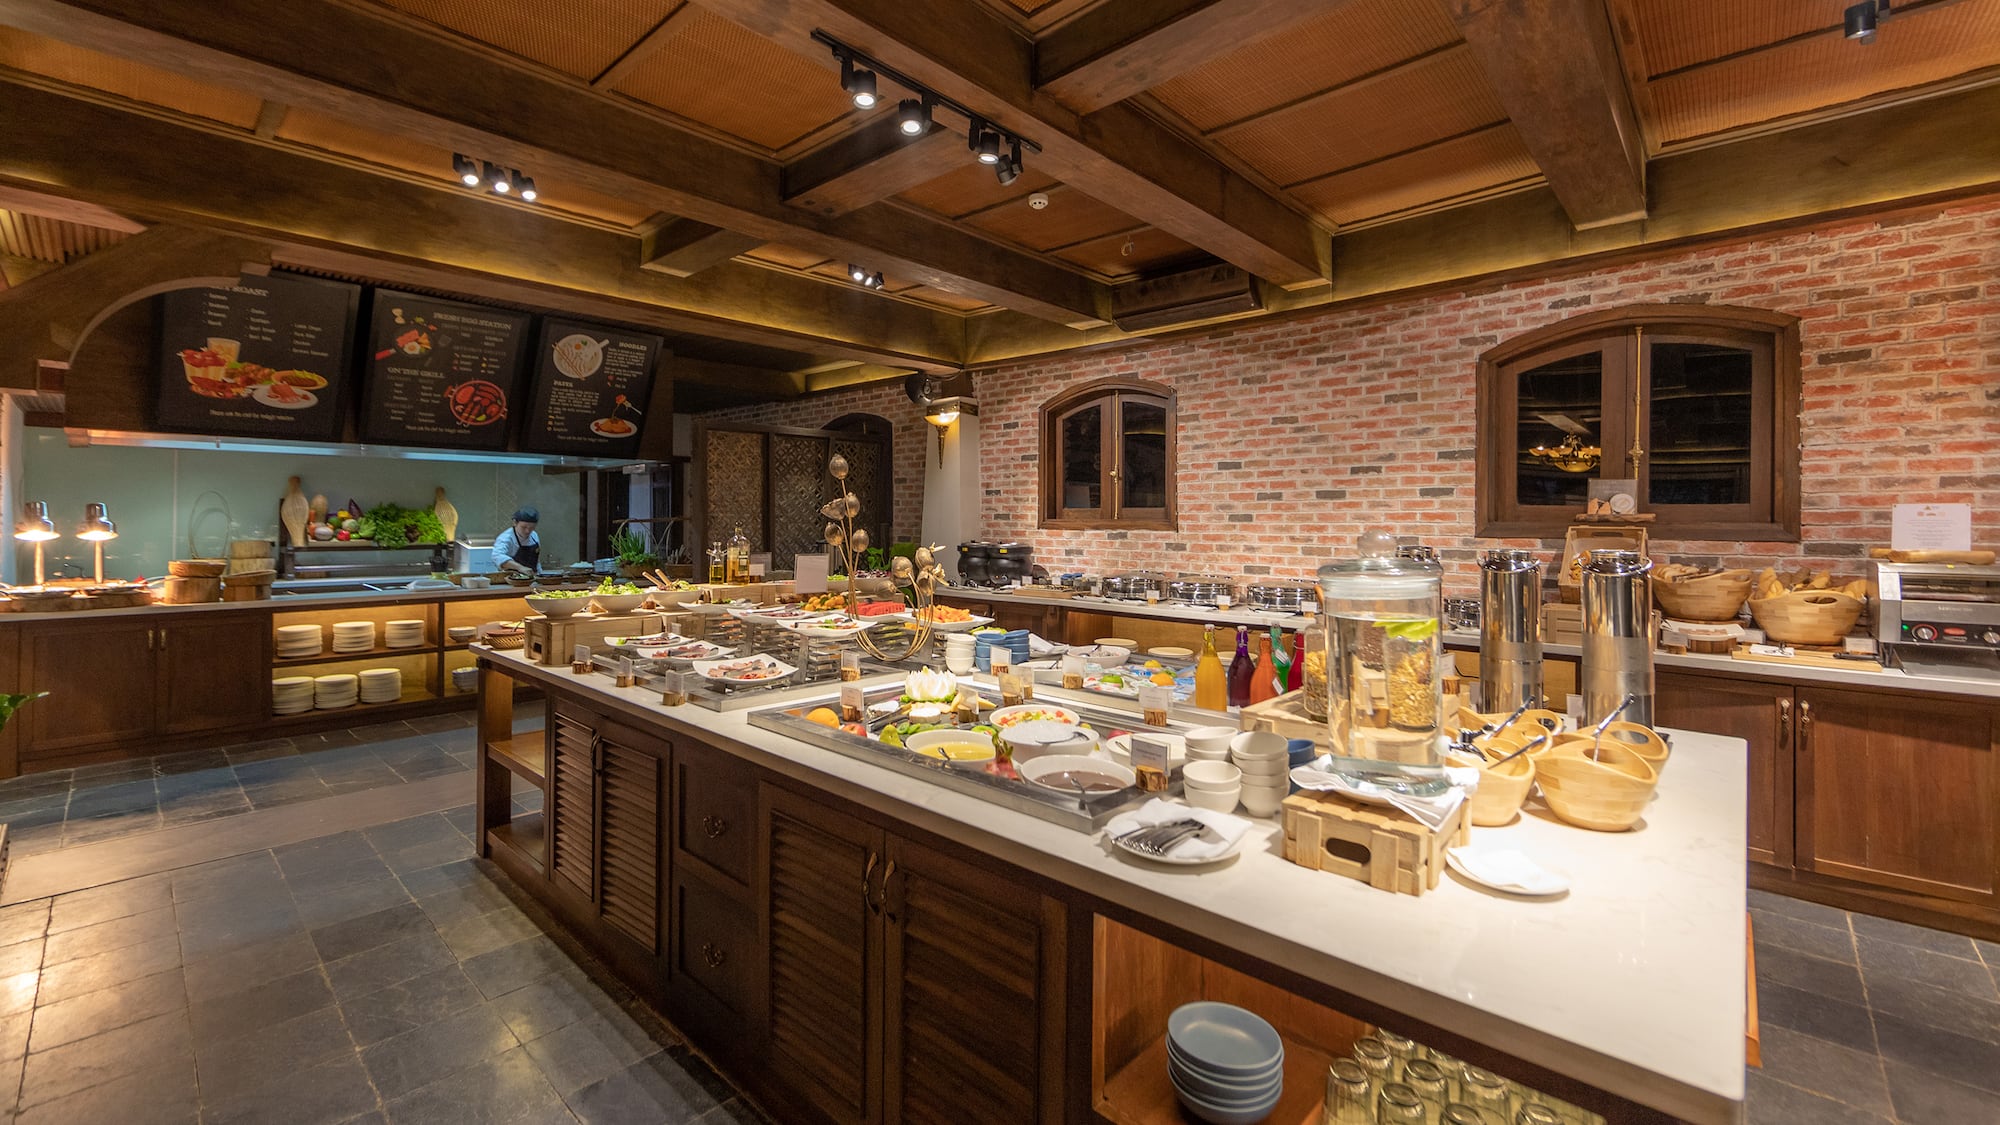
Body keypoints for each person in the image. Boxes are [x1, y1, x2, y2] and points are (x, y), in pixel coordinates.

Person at [492, 508, 540, 575]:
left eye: (532, 528)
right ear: (515, 523)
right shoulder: (506, 538)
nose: (528, 531)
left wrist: (539, 574)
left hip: (532, 579)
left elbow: (537, 561)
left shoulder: (534, 535)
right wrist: (520, 568)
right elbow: (497, 556)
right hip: (511, 579)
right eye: (524, 527)